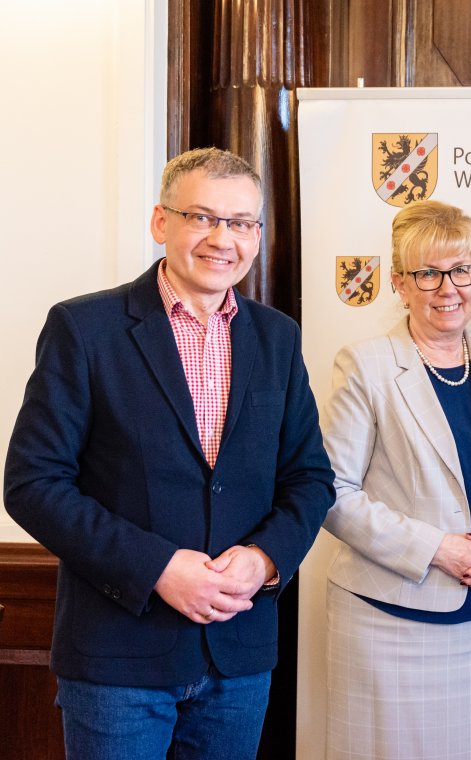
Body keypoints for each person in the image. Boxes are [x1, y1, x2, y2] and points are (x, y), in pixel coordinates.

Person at [3, 147, 335, 758]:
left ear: (257, 234)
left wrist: (264, 559)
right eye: (202, 217)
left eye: (241, 223)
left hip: (238, 655)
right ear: (161, 222)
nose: (222, 239)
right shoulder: (85, 328)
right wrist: (158, 568)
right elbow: (32, 483)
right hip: (117, 658)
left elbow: (310, 478)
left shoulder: (278, 337)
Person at [320, 200, 471, 760]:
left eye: (461, 270)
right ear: (399, 282)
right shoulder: (366, 365)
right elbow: (333, 493)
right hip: (387, 626)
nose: (448, 288)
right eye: (427, 273)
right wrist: (438, 549)